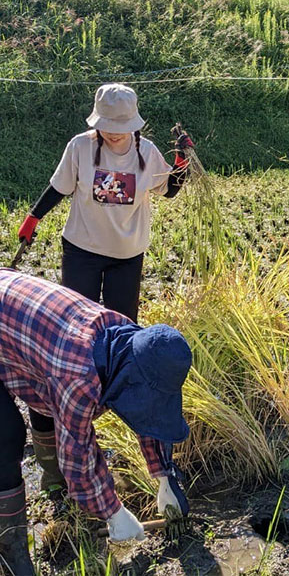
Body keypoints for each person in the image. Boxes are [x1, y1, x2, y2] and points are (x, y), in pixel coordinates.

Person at [15, 83, 194, 500]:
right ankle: (74, 401)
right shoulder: (79, 147)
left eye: (121, 128)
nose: (114, 135)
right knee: (73, 333)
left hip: (127, 255)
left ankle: (119, 408)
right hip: (81, 249)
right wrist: (32, 218)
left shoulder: (146, 152)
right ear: (97, 122)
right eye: (108, 128)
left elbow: (170, 189)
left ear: (133, 123)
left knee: (123, 336)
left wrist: (183, 160)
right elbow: (59, 187)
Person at [0, 268, 192, 574]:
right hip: (11, 316)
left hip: (24, 324)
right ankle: (11, 553)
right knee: (6, 437)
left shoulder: (132, 340)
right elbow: (77, 452)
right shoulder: (77, 373)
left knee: (48, 400)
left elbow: (149, 413)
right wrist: (113, 512)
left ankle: (56, 489)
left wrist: (164, 477)